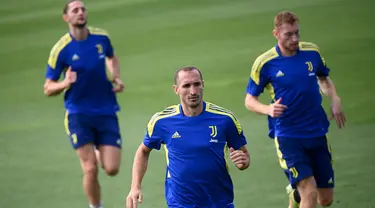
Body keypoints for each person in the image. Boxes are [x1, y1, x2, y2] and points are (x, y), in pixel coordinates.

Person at [244, 11, 346, 208]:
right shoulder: (265, 63)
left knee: (325, 199)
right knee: (309, 192)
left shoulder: (312, 52)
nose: (295, 39)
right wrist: (268, 109)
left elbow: (323, 78)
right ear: (276, 34)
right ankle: (300, 193)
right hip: (288, 135)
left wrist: (335, 97)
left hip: (316, 131)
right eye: (288, 35)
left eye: (297, 33)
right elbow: (250, 100)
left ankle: (295, 196)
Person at [126, 67, 250, 208]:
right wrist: (135, 186)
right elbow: (143, 151)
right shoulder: (162, 121)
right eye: (186, 86)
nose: (193, 91)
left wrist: (243, 162)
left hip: (219, 202)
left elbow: (244, 155)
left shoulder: (225, 119)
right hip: (180, 203)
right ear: (176, 89)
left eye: (197, 84)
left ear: (202, 84)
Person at [43, 1, 125, 207]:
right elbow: (47, 87)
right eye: (75, 10)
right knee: (90, 168)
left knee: (112, 168)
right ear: (66, 18)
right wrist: (64, 83)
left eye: (83, 9)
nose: (80, 13)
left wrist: (115, 76)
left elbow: (111, 56)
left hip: (106, 110)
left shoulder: (101, 38)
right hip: (78, 114)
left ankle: (98, 149)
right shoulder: (61, 49)